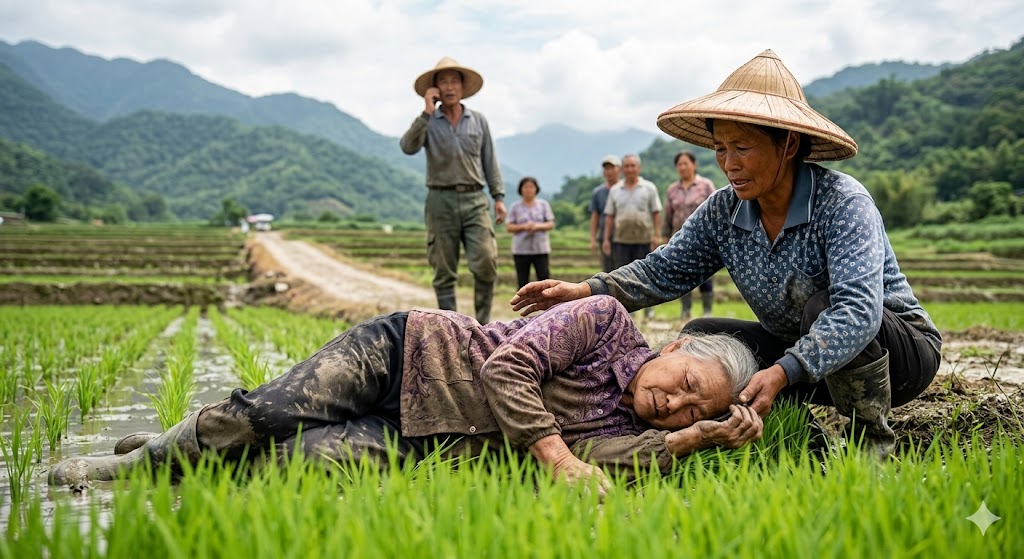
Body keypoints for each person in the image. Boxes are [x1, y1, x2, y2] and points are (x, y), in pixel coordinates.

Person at [511, 50, 943, 459]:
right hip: (803, 354)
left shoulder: (842, 202)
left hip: (895, 356)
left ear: (788, 144)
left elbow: (859, 311)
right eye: (721, 149)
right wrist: (586, 289)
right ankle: (797, 441)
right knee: (704, 335)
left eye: (743, 147)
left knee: (825, 306)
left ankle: (872, 446)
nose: (729, 163)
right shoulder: (725, 209)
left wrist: (783, 371)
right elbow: (666, 269)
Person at [49, 296, 762, 493]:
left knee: (297, 462)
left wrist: (693, 441)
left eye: (696, 409)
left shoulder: (639, 429)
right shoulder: (604, 321)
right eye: (688, 386)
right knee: (268, 412)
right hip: (406, 353)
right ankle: (139, 465)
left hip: (426, 439)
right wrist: (556, 454)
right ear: (673, 349)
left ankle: (176, 450)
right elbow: (507, 368)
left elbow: (606, 459)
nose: (678, 404)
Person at [400, 57, 506, 324]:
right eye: (443, 81)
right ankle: (452, 326)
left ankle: (483, 324)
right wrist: (426, 112)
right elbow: (407, 146)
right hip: (440, 199)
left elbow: (489, 160)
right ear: (434, 88)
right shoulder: (428, 121)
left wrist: (499, 197)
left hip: (474, 199)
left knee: (486, 262)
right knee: (443, 269)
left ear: (462, 86)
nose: (449, 87)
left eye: (454, 81)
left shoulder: (478, 121)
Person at [603, 154, 662, 320]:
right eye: (626, 166)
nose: (630, 169)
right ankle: (627, 311)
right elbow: (609, 216)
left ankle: (649, 309)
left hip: (644, 239)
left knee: (647, 275)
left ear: (638, 168)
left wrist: (656, 235)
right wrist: (607, 239)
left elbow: (656, 213)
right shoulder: (615, 190)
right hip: (621, 240)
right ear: (622, 169)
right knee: (623, 277)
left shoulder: (649, 188)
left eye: (632, 166)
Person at [662, 151, 716, 322]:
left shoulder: (706, 185)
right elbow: (668, 216)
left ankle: (707, 312)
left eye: (686, 163)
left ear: (694, 165)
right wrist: (666, 239)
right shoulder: (672, 189)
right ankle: (685, 312)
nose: (683, 167)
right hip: (679, 241)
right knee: (682, 276)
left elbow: (717, 211)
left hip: (704, 240)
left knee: (706, 276)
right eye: (679, 164)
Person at [506, 177, 555, 288]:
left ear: (536, 189)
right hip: (521, 250)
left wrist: (536, 226)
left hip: (540, 249)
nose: (528, 190)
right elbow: (509, 227)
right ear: (521, 189)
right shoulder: (515, 207)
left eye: (531, 187)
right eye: (526, 187)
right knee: (522, 280)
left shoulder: (543, 205)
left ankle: (546, 304)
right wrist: (524, 227)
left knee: (544, 278)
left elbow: (550, 224)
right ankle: (523, 304)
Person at [588, 155, 621, 273]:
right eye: (606, 169)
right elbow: (594, 216)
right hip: (605, 237)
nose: (609, 172)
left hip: (623, 237)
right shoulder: (598, 192)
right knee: (608, 270)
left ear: (619, 170)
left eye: (612, 168)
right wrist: (593, 238)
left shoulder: (623, 189)